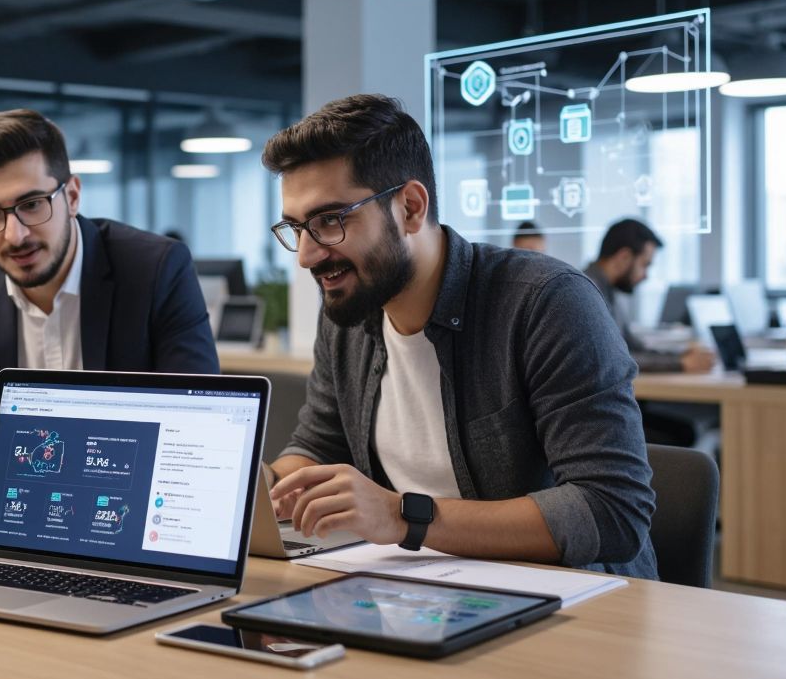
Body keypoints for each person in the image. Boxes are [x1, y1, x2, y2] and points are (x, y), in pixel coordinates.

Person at [263, 94, 656, 579]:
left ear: (410, 207)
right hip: (422, 593)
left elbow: (611, 511)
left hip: (574, 603)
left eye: (330, 221)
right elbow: (321, 443)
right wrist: (260, 487)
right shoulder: (351, 312)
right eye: (297, 228)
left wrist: (400, 515)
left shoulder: (545, 302)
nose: (305, 255)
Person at [0, 109, 219, 379]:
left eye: (32, 205)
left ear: (72, 196)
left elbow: (200, 415)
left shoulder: (155, 270)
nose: (15, 235)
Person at [585, 218, 716, 374]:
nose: (646, 276)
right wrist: (679, 363)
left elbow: (633, 348)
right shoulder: (587, 293)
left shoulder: (607, 292)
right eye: (644, 265)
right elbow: (613, 358)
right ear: (624, 257)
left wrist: (681, 355)